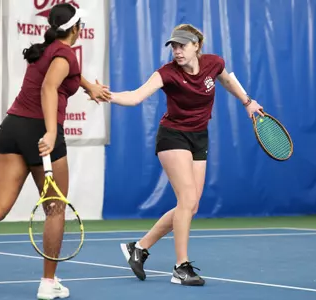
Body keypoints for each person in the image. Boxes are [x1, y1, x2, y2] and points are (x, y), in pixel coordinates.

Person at [0, 3, 110, 299]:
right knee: (55, 209)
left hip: (13, 129)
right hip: (40, 131)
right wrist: (52, 132)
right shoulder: (66, 54)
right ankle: (47, 283)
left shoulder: (48, 50)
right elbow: (49, 88)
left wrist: (89, 86)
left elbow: (64, 73)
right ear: (77, 29)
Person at [110, 24, 264, 286]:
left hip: (198, 137)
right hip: (172, 136)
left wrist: (247, 102)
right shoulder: (167, 73)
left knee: (191, 206)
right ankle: (181, 267)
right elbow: (135, 97)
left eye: (182, 46)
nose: (177, 51)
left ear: (196, 46)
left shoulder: (213, 64)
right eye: (174, 46)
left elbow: (227, 79)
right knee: (186, 199)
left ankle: (139, 247)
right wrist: (108, 95)